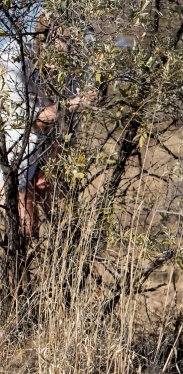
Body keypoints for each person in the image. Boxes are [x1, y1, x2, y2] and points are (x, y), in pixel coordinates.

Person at [0, 6, 91, 238]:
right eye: (65, 31)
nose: (71, 39)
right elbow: (28, 120)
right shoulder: (15, 56)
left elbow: (69, 123)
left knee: (65, 222)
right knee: (25, 227)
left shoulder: (72, 61)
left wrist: (53, 164)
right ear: (48, 31)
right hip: (13, 151)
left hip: (45, 149)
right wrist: (72, 103)